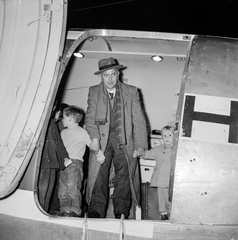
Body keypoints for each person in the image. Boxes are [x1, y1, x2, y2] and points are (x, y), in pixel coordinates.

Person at [85, 57, 148, 219]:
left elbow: (138, 120)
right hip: (102, 141)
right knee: (99, 176)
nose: (110, 79)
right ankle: (96, 210)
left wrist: (140, 145)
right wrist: (94, 138)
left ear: (118, 74)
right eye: (106, 75)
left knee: (124, 177)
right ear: (101, 77)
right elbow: (90, 119)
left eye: (113, 74)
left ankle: (121, 210)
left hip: (124, 141)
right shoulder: (93, 92)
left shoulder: (131, 91)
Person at [58, 105, 104, 217]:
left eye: (63, 117)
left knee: (73, 187)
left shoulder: (82, 132)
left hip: (75, 164)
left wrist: (100, 155)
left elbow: (93, 145)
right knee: (62, 189)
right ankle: (64, 210)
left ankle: (74, 211)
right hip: (63, 164)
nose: (62, 119)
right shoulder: (63, 133)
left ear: (70, 119)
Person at [134, 125, 174, 220]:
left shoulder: (177, 149)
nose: (167, 138)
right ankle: (163, 214)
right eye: (164, 136)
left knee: (172, 198)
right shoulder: (158, 149)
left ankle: (172, 214)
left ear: (174, 136)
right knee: (162, 198)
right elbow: (148, 153)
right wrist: (140, 153)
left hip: (171, 180)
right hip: (161, 179)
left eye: (169, 135)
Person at [38, 103, 69, 212]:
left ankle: (45, 211)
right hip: (45, 161)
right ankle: (41, 211)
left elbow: (59, 144)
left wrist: (64, 158)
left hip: (53, 162)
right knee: (43, 188)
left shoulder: (54, 125)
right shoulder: (47, 124)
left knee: (49, 189)